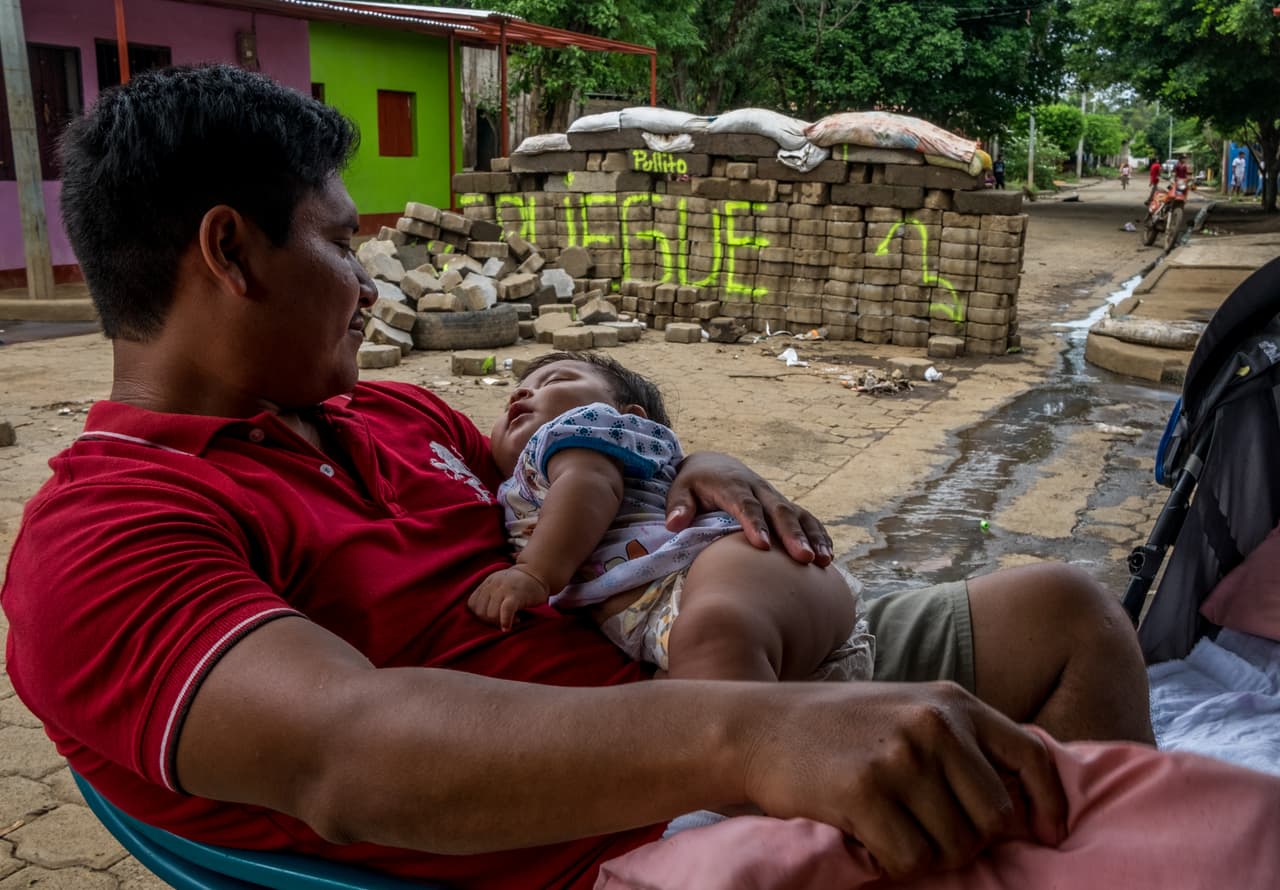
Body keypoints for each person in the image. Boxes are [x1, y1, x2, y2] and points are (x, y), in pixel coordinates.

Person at [0, 64, 1155, 890]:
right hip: (632, 823)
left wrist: (694, 455)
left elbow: (578, 459)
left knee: (1066, 614)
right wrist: (750, 736)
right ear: (230, 252)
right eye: (341, 243)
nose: (368, 282)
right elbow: (346, 751)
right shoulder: (105, 536)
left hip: (687, 663)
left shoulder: (386, 412)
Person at [470, 351, 873, 682]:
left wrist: (535, 572)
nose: (521, 392)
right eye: (512, 396)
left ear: (630, 418)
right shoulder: (514, 485)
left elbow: (589, 485)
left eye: (555, 381)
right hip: (724, 627)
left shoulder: (575, 433)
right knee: (697, 667)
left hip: (723, 566)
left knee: (713, 635)